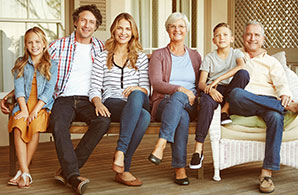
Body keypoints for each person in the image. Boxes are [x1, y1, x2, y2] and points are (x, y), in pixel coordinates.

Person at [48, 4, 111, 194]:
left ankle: (67, 170)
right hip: (63, 98)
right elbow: (36, 68)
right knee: (58, 125)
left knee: (103, 120)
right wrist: (13, 93)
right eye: (83, 20)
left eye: (92, 22)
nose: (87, 25)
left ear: (96, 26)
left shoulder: (102, 48)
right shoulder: (57, 45)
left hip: (89, 100)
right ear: (76, 22)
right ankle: (74, 176)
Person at [227, 21, 292, 193]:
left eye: (256, 35)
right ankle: (285, 107)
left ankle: (266, 173)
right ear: (243, 37)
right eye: (248, 34)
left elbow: (281, 83)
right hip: (243, 102)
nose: (252, 38)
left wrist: (285, 94)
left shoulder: (271, 62)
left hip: (267, 102)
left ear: (263, 39)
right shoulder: (235, 56)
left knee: (276, 117)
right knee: (235, 94)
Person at [89, 12, 150, 186]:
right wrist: (97, 102)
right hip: (112, 102)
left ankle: (120, 151)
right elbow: (94, 86)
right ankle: (125, 168)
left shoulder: (141, 57)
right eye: (120, 28)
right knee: (144, 117)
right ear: (114, 30)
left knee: (137, 95)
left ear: (133, 32)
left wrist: (137, 89)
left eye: (127, 29)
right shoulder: (102, 56)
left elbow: (146, 88)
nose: (123, 32)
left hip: (137, 100)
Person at [148, 12, 201, 185]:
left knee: (183, 108)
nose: (177, 30)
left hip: (190, 104)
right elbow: (156, 83)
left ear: (186, 30)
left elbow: (201, 82)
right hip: (164, 102)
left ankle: (161, 143)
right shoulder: (159, 55)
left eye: (181, 26)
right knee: (181, 115)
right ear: (167, 30)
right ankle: (179, 168)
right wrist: (180, 89)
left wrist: (188, 94)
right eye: (173, 26)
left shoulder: (195, 56)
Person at [189, 23, 249, 169]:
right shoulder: (209, 58)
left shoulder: (236, 54)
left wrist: (218, 79)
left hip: (232, 90)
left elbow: (241, 67)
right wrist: (211, 90)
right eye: (218, 35)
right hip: (213, 90)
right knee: (205, 103)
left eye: (225, 34)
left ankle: (225, 110)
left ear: (232, 39)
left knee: (243, 74)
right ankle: (198, 149)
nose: (221, 37)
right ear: (213, 40)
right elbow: (202, 83)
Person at [7, 27, 57, 188]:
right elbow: (19, 89)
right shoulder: (21, 63)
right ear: (26, 45)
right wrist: (24, 110)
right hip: (23, 105)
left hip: (41, 106)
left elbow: (49, 91)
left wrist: (34, 111)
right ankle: (25, 171)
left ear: (44, 44)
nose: (34, 45)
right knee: (18, 126)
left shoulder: (52, 64)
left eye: (37, 42)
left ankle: (22, 173)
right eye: (30, 42)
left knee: (34, 126)